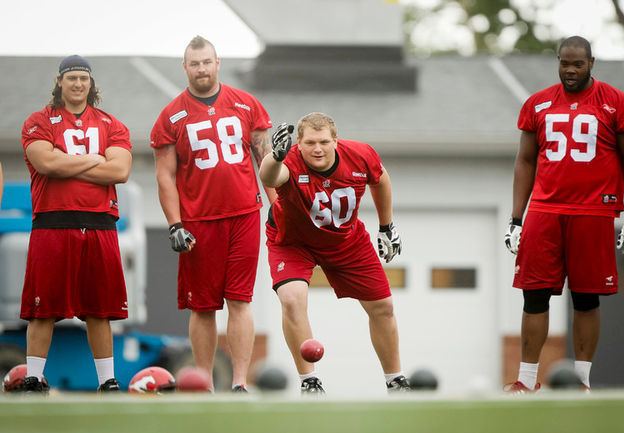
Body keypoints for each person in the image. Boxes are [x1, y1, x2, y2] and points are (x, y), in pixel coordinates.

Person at [504, 36, 624, 393]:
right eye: (564, 63)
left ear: (592, 62)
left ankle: (582, 381)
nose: (570, 70)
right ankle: (527, 380)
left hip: (594, 210)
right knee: (534, 294)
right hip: (545, 209)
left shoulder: (616, 103)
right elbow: (525, 160)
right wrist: (516, 217)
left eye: (577, 64)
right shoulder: (538, 104)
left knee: (585, 297)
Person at [151, 36, 274, 393]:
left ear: (218, 62)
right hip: (198, 221)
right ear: (185, 67)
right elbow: (165, 175)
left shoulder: (246, 104)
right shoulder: (171, 115)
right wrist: (174, 224)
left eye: (207, 62)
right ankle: (202, 381)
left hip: (244, 213)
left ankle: (238, 382)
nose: (202, 69)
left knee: (240, 299)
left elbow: (265, 161)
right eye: (195, 63)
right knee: (202, 306)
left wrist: (278, 207)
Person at [259, 112, 410, 394]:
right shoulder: (288, 160)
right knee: (292, 299)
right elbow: (269, 176)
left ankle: (396, 380)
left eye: (324, 142)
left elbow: (381, 180)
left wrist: (387, 226)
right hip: (293, 240)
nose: (318, 149)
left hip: (345, 239)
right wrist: (275, 156)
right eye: (311, 143)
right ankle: (309, 382)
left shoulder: (361, 155)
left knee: (383, 307)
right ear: (299, 144)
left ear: (336, 141)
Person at [20, 55, 133, 393]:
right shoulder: (39, 120)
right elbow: (46, 163)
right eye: (71, 78)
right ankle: (33, 377)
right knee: (42, 309)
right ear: (60, 82)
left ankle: (107, 381)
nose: (78, 84)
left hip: (99, 225)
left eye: (83, 78)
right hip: (53, 224)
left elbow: (120, 171)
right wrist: (94, 160)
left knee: (100, 309)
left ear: (91, 83)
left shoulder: (111, 124)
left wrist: (66, 163)